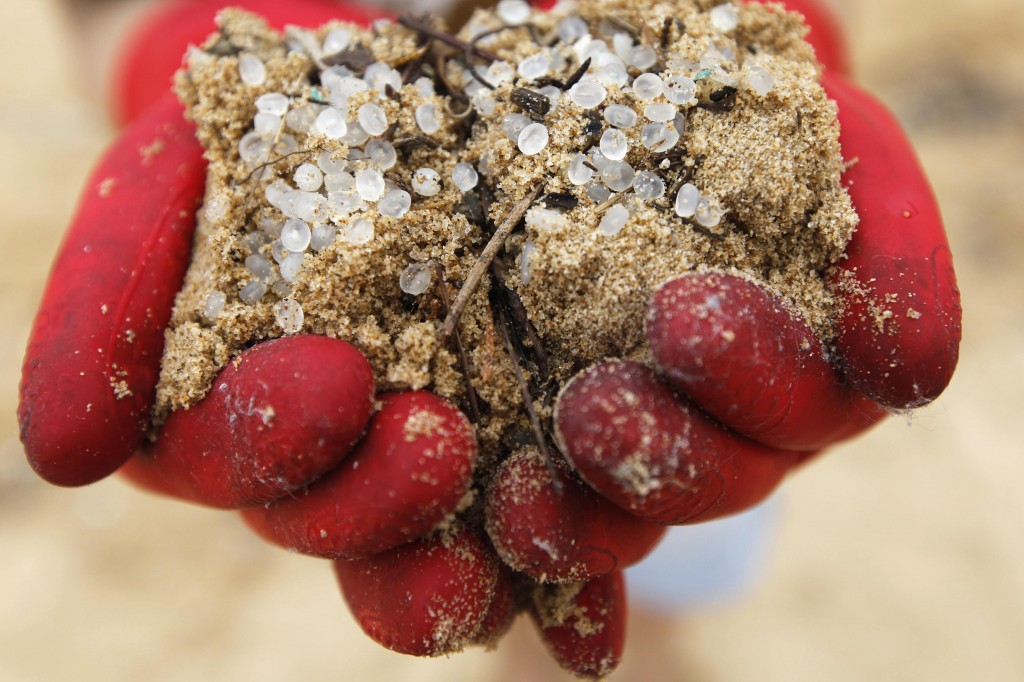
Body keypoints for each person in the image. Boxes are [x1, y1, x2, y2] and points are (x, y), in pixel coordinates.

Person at [23, 0, 961, 676]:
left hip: (665, 347)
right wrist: (165, 39)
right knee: (496, 525)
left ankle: (654, 640)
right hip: (335, 183)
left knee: (652, 500)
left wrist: (763, 40)